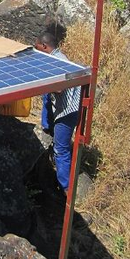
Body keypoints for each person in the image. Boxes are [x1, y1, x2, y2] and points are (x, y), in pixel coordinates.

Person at [35, 32, 81, 193]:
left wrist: (42, 81)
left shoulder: (56, 63)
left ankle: (66, 189)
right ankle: (47, 126)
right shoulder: (60, 57)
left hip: (66, 112)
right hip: (73, 107)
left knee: (61, 150)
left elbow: (60, 88)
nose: (37, 51)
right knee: (46, 95)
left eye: (38, 48)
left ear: (45, 46)